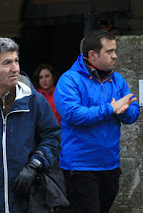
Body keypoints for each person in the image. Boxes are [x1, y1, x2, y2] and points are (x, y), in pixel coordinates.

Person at [0, 37, 61, 213]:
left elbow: (52, 138)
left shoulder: (35, 101)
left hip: (29, 200)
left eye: (16, 61)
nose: (15, 68)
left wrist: (34, 165)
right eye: (7, 63)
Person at [54, 30, 140, 213]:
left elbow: (133, 111)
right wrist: (111, 109)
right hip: (80, 166)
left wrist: (122, 112)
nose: (115, 56)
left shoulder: (117, 80)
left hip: (110, 164)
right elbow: (73, 114)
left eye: (114, 50)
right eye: (109, 51)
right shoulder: (69, 80)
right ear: (92, 55)